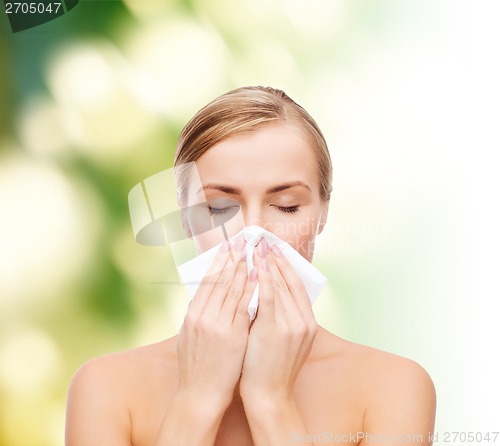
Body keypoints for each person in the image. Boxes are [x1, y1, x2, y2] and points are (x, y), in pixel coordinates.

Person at [65, 86, 436, 446]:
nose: (253, 234)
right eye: (219, 208)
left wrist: (271, 402)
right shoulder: (105, 389)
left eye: (288, 205)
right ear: (185, 219)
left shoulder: (393, 388)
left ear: (323, 214)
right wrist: (198, 400)